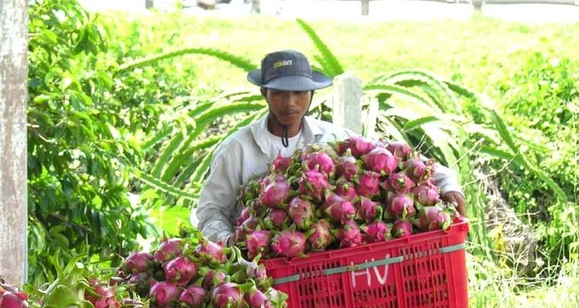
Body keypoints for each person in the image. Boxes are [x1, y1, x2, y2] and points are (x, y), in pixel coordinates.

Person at [193, 49, 467, 245]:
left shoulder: (333, 138)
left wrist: (448, 183)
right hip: (262, 265)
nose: (290, 102)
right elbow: (210, 209)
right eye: (279, 93)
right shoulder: (237, 149)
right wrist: (230, 242)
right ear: (264, 94)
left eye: (299, 93)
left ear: (311, 95)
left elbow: (397, 160)